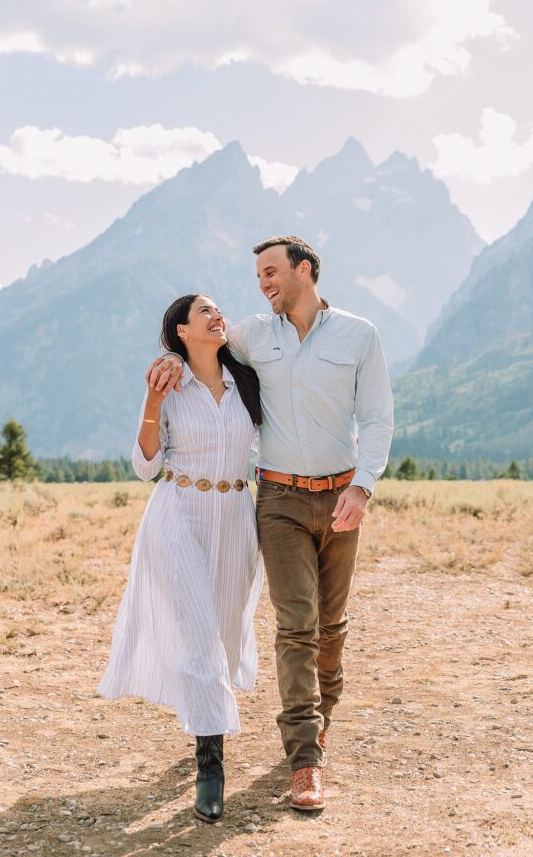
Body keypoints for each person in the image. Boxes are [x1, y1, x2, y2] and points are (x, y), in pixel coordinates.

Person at [148, 236, 394, 811]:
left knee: (332, 626)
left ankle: (320, 720)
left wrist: (363, 486)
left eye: (271, 273)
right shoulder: (254, 334)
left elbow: (378, 416)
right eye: (259, 276)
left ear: (304, 271)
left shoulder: (360, 335)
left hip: (342, 497)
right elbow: (197, 345)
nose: (262, 284)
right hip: (278, 498)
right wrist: (168, 359)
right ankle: (304, 760)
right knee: (296, 626)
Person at [98, 293, 263, 823]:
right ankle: (210, 767)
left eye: (219, 309)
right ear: (181, 333)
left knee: (227, 630)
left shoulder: (249, 381)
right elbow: (145, 467)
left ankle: (204, 718)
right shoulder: (167, 386)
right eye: (204, 313)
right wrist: (151, 405)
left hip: (237, 517)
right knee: (198, 633)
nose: (218, 316)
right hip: (178, 515)